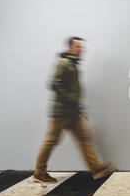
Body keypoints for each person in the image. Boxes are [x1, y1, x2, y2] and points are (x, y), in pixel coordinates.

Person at [33, 37, 115, 183]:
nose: (81, 50)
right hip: (61, 112)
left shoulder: (72, 64)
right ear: (70, 48)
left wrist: (79, 107)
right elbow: (53, 84)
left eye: (82, 47)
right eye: (78, 47)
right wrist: (71, 100)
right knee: (51, 141)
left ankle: (96, 168)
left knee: (84, 139)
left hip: (73, 112)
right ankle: (39, 172)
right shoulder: (64, 63)